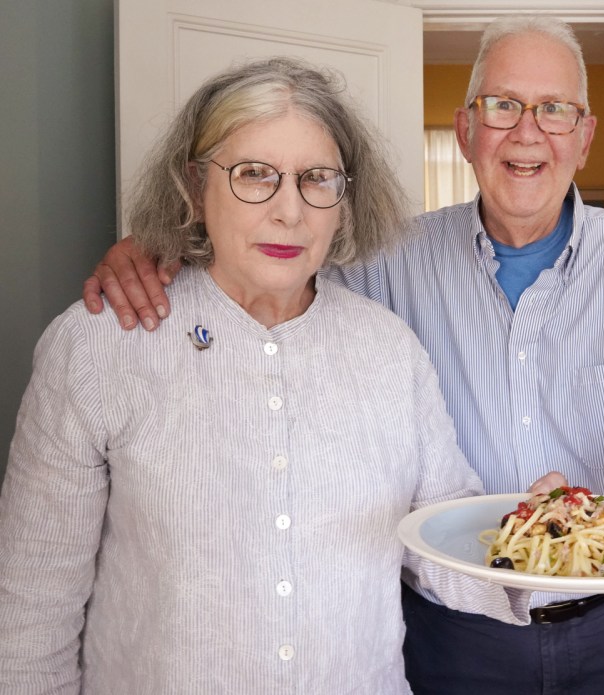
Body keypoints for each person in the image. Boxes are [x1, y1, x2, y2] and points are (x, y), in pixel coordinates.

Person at [79, 16, 604, 695]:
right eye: (502, 106)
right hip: (450, 631)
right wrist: (163, 248)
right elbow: (270, 270)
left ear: (584, 136)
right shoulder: (386, 257)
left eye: (555, 110)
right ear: (465, 131)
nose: (527, 131)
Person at [0, 57, 540, 695]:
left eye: (317, 179)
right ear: (194, 186)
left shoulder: (390, 351)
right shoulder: (95, 349)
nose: (291, 211)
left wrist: (542, 540)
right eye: (254, 175)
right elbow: (33, 616)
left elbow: (445, 549)